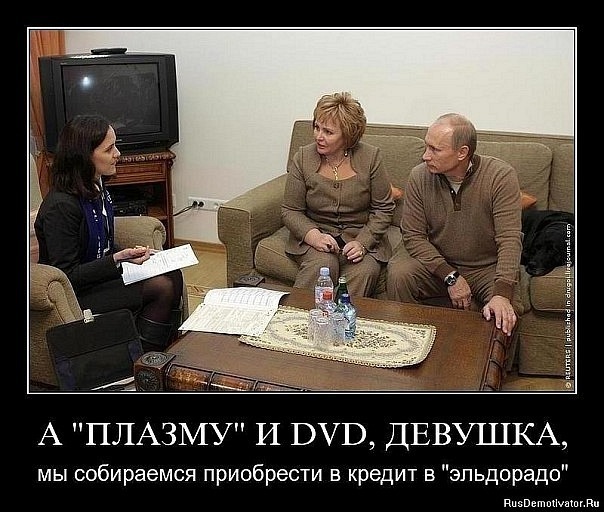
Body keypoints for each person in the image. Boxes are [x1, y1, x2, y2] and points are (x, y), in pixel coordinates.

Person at [34, 114, 184, 350]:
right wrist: (116, 260)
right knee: (161, 286)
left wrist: (128, 254)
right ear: (84, 156)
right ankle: (145, 359)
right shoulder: (61, 207)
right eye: (109, 149)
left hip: (99, 278)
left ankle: (170, 348)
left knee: (173, 273)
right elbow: (67, 275)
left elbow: (101, 243)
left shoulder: (97, 187)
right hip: (77, 292)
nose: (118, 154)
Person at [386, 113, 522, 335]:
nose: (425, 156)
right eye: (426, 146)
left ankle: (489, 359)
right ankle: (405, 343)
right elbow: (413, 236)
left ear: (462, 153)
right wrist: (450, 276)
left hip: (485, 267)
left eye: (435, 150)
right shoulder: (419, 176)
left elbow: (510, 239)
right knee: (400, 273)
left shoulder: (500, 176)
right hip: (438, 263)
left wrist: (502, 293)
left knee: (506, 311)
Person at [281, 92, 395, 298]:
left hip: (359, 236)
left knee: (365, 270)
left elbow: (383, 208)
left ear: (347, 136)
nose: (318, 136)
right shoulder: (303, 157)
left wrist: (363, 243)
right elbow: (290, 210)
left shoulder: (371, 157)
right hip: (317, 235)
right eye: (317, 127)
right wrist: (314, 236)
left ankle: (342, 318)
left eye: (328, 132)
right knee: (323, 264)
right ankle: (297, 313)